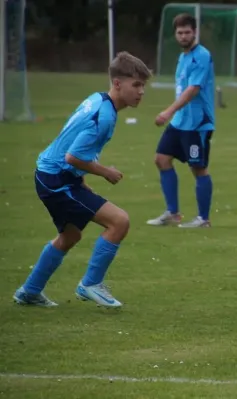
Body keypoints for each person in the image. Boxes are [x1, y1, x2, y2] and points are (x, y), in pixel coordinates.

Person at [13, 52, 152, 308]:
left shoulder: (98, 100)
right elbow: (73, 156)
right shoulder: (106, 116)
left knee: (70, 236)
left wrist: (81, 181)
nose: (141, 91)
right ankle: (90, 284)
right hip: (57, 179)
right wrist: (105, 172)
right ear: (118, 83)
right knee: (119, 221)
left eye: (143, 85)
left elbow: (73, 144)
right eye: (136, 85)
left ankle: (29, 291)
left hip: (53, 175)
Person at [147, 13, 215, 228]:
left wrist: (168, 112)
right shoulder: (183, 57)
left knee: (198, 168)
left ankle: (203, 219)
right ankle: (173, 213)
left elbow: (192, 90)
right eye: (180, 32)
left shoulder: (201, 56)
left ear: (194, 32)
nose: (183, 36)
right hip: (180, 121)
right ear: (175, 34)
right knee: (161, 159)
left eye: (187, 32)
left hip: (197, 123)